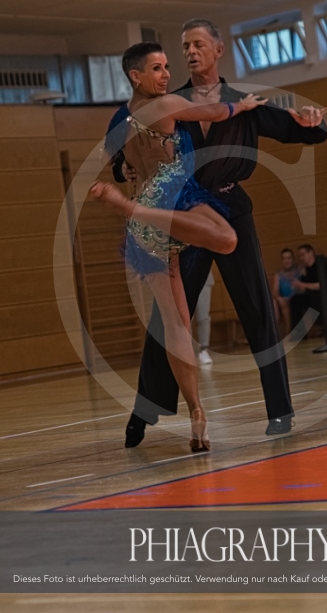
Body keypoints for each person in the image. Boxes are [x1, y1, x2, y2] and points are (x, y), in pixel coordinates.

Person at [114, 19, 327, 447]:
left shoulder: (244, 103)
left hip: (232, 209)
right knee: (170, 317)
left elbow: (302, 131)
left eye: (198, 44)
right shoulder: (169, 102)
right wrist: (125, 169)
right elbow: (124, 156)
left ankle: (280, 410)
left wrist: (311, 121)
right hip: (185, 213)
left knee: (258, 308)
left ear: (218, 50)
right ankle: (146, 410)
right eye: (184, 46)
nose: (190, 52)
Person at [93, 41, 266, 450]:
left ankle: (197, 411)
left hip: (147, 219)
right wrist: (241, 106)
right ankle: (129, 209)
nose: (166, 74)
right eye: (157, 68)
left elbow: (114, 156)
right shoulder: (166, 105)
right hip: (173, 201)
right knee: (227, 238)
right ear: (135, 75)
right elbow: (214, 112)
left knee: (176, 324)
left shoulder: (119, 119)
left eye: (167, 67)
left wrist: (131, 166)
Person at [289, 244, 327, 340]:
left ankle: (326, 328)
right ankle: (299, 332)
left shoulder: (321, 265)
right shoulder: (305, 270)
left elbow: (322, 285)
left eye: (303, 254)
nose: (301, 258)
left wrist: (302, 284)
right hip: (313, 296)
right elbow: (304, 289)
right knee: (295, 299)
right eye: (299, 256)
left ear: (311, 253)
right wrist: (296, 284)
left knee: (316, 298)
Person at [272, 249, 299, 337]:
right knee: (275, 302)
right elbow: (275, 291)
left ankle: (289, 331)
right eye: (284, 258)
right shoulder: (278, 274)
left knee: (291, 301)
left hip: (296, 298)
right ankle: (275, 333)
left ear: (293, 259)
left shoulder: (299, 271)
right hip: (283, 301)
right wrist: (279, 298)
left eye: (289, 258)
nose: (287, 261)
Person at [194, 270, 215, 364]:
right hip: (182, 279)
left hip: (204, 278)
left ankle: (204, 350)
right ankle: (187, 351)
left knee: (203, 317)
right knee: (185, 320)